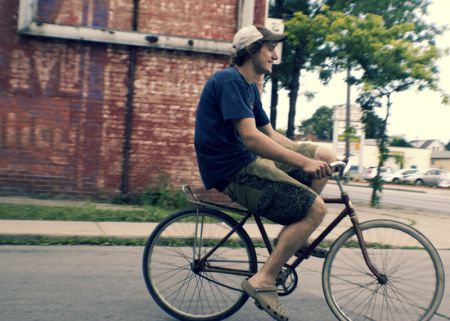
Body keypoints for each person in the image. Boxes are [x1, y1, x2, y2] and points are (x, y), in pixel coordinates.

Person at [194, 24, 336, 321]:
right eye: (269, 48)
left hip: (245, 160)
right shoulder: (230, 81)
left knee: (325, 154)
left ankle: (298, 235)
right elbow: (251, 138)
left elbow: (269, 133)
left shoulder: (249, 85)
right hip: (233, 169)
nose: (274, 55)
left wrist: (307, 155)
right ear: (251, 50)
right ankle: (263, 280)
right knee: (316, 209)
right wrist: (301, 163)